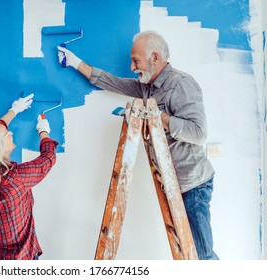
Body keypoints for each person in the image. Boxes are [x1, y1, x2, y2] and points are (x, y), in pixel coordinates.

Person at [57, 30, 218, 260]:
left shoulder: (181, 84)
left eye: (136, 61)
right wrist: (74, 61)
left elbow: (199, 133)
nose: (132, 67)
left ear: (155, 58)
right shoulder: (147, 87)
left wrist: (156, 116)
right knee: (189, 256)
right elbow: (111, 82)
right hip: (172, 183)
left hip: (193, 184)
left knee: (203, 257)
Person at [0, 93, 58, 260]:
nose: (11, 133)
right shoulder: (15, 178)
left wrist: (13, 110)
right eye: (7, 134)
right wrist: (44, 132)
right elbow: (48, 159)